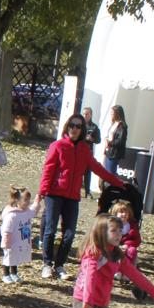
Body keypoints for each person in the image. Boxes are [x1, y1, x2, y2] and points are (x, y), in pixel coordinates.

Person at [38, 113, 125, 280]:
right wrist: (42, 192)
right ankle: (47, 264)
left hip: (72, 196)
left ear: (82, 130)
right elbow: (48, 170)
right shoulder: (57, 146)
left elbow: (97, 168)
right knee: (50, 230)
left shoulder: (84, 149)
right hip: (55, 194)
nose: (75, 129)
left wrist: (118, 183)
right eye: (72, 125)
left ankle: (60, 264)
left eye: (78, 126)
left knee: (69, 233)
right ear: (67, 127)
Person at [0, 188, 39, 283]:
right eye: (25, 200)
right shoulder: (12, 215)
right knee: (9, 257)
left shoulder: (26, 212)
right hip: (11, 241)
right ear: (17, 200)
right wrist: (6, 242)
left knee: (16, 257)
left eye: (29, 200)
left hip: (19, 241)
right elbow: (7, 230)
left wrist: (37, 201)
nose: (28, 202)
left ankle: (14, 273)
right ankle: (6, 274)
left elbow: (34, 211)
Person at [81, 107, 101, 199]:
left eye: (87, 114)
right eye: (84, 114)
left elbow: (98, 140)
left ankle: (87, 191)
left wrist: (91, 139)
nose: (85, 116)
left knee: (87, 172)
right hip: (78, 150)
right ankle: (76, 189)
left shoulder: (94, 127)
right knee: (78, 171)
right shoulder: (79, 125)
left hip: (88, 152)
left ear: (91, 115)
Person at [102, 105, 127, 178]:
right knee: (106, 172)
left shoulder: (122, 126)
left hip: (114, 153)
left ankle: (112, 188)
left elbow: (120, 141)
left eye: (112, 112)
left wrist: (109, 142)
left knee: (111, 174)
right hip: (108, 151)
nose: (111, 114)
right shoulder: (113, 124)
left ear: (117, 113)